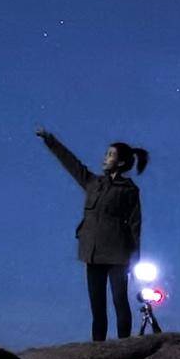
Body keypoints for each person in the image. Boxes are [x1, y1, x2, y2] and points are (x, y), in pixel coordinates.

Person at [35, 127, 147, 341]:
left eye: (110, 155)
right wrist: (51, 140)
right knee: (97, 306)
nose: (105, 158)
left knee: (119, 301)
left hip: (118, 254)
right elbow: (71, 163)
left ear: (122, 162)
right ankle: (98, 346)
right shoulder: (93, 183)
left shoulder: (129, 190)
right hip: (92, 253)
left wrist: (135, 258)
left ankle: (124, 345)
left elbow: (135, 224)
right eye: (106, 154)